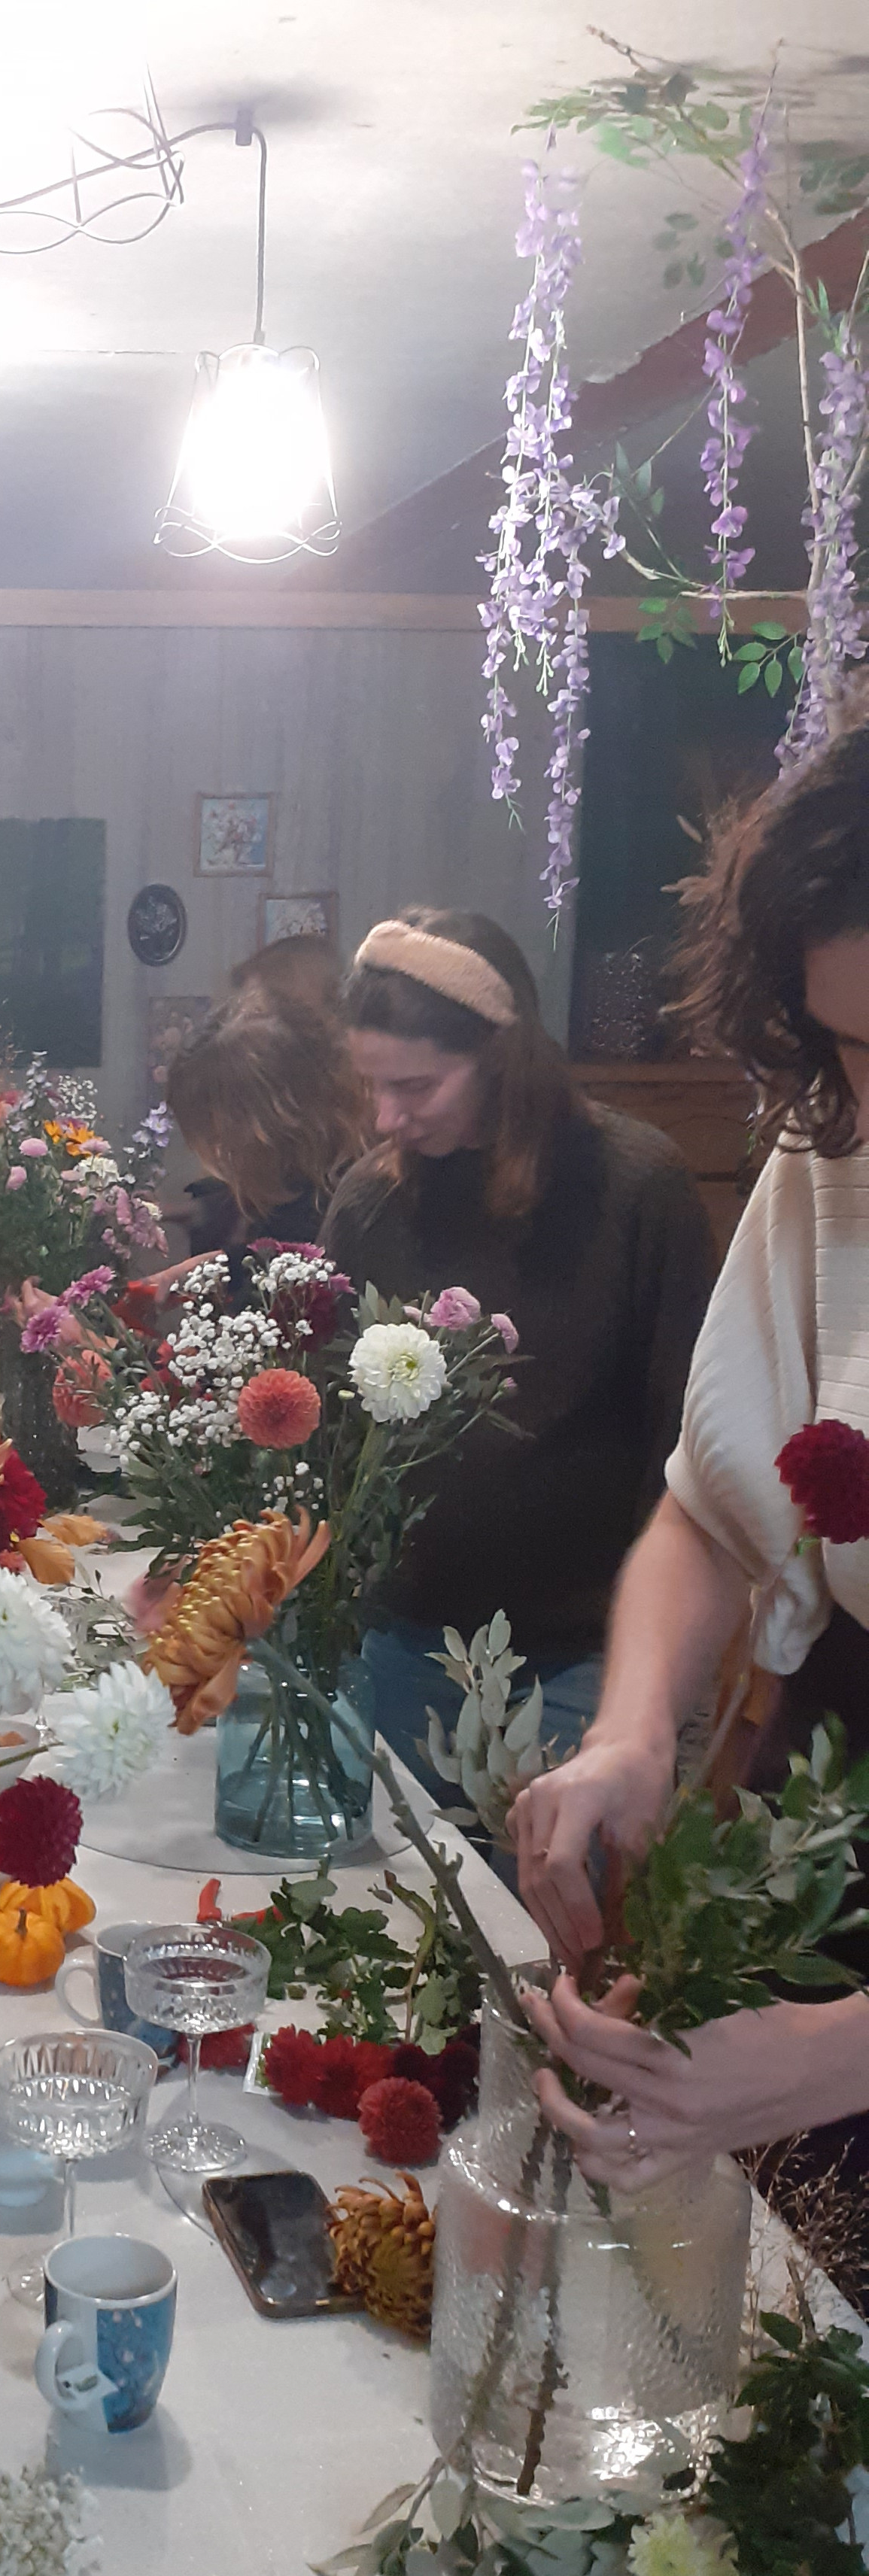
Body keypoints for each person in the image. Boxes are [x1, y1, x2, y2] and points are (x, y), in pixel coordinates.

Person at [513, 726, 869, 2224]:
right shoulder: (840, 1144)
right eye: (850, 1048)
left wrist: (837, 2056)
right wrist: (635, 1731)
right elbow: (711, 1509)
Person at [321, 905, 716, 1796]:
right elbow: (334, 1435)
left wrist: (643, 1694)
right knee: (393, 1925)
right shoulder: (368, 1205)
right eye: (371, 1086)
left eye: (417, 1088)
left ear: (505, 1061)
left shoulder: (637, 1187)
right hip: (398, 1644)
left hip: (577, 1667)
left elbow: (686, 1448)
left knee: (546, 1932)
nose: (386, 1118)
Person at [158, 976, 370, 1276]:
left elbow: (299, 1276)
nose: (220, 1147)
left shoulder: (351, 1196)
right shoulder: (296, 1171)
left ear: (274, 1119)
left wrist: (211, 1267)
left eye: (222, 1130)